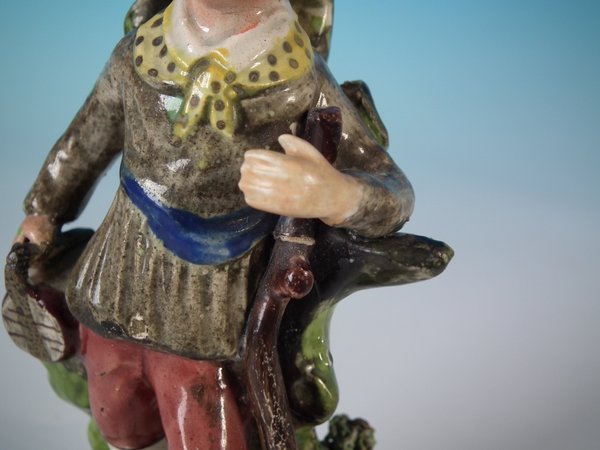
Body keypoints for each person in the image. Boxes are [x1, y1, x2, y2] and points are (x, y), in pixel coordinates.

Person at [15, 0, 414, 449]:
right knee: (120, 419)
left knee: (200, 416)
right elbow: (84, 143)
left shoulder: (301, 81)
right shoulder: (136, 57)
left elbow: (393, 190)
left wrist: (333, 194)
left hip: (217, 299)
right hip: (120, 272)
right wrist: (45, 210)